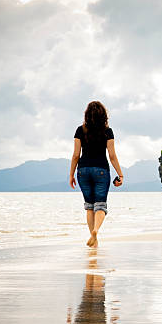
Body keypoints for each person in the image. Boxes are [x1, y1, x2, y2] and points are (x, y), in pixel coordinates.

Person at [69, 101, 123, 247]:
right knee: (100, 205)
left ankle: (94, 239)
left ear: (87, 114)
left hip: (83, 170)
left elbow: (75, 155)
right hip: (101, 170)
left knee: (89, 206)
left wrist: (71, 174)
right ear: (103, 115)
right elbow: (112, 155)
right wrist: (120, 174)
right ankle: (95, 231)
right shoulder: (107, 131)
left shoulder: (80, 130)